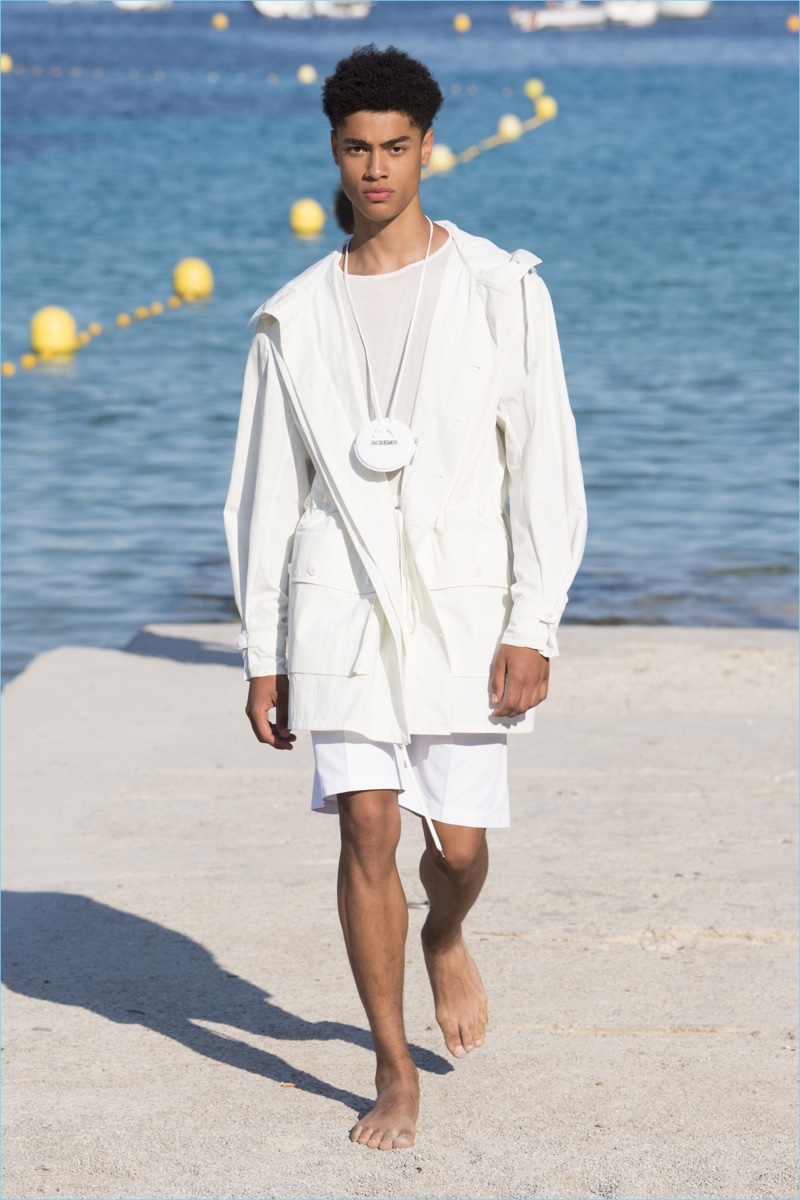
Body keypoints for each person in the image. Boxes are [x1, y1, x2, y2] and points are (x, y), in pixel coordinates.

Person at [224, 43, 587, 1152]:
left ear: (428, 147)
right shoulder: (293, 316)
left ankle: (445, 935)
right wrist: (264, 652)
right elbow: (263, 494)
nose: (375, 169)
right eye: (355, 149)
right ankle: (391, 1067)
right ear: (333, 152)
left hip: (462, 601)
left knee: (459, 848)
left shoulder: (498, 288)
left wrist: (532, 624)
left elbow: (545, 465)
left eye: (394, 147)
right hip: (339, 602)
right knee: (368, 826)